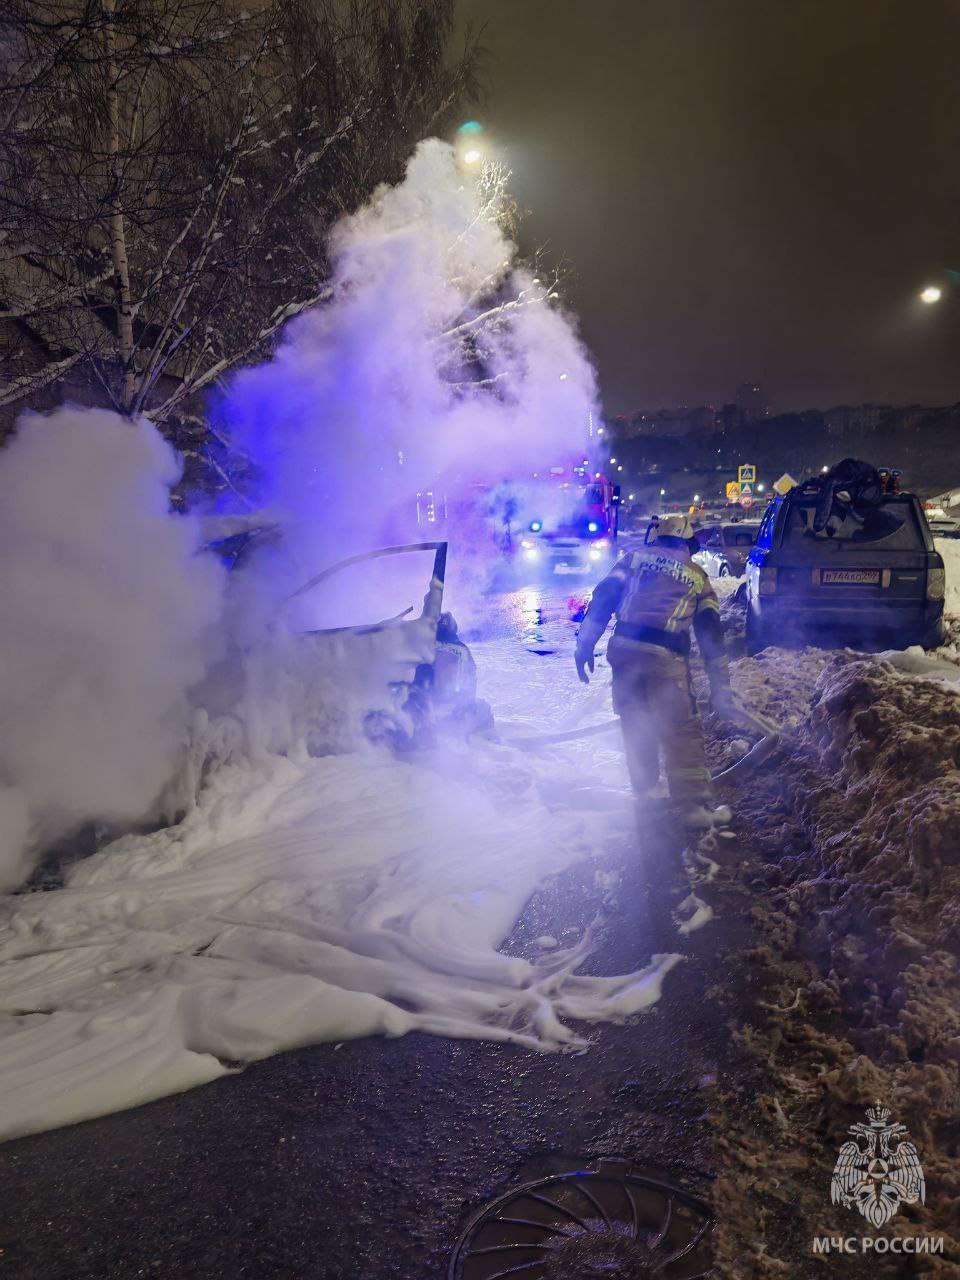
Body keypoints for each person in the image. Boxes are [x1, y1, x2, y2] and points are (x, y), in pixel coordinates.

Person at [575, 514, 739, 828]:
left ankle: (646, 792)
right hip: (664, 656)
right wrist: (721, 686)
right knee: (681, 728)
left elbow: (603, 599)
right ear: (687, 544)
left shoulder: (632, 560)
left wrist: (584, 645)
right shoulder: (697, 576)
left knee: (636, 721)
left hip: (622, 652)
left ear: (656, 539)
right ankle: (693, 809)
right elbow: (711, 634)